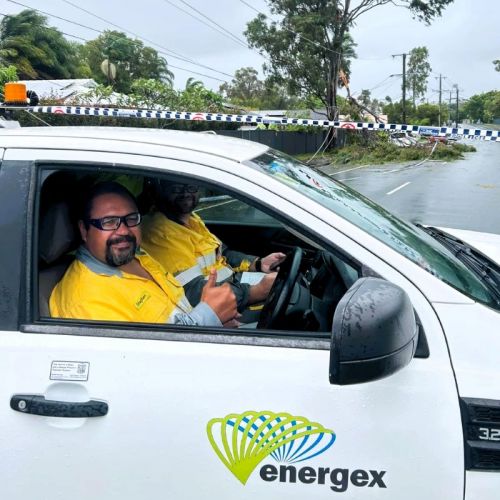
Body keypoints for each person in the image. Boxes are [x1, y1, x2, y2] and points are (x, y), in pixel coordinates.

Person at [49, 182, 237, 326]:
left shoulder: (139, 257)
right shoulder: (86, 299)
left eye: (131, 219)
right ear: (84, 230)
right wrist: (207, 317)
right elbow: (140, 367)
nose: (123, 231)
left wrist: (216, 321)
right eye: (109, 222)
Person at [141, 181, 287, 313]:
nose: (185, 193)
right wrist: (254, 292)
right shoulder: (159, 233)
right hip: (215, 308)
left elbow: (221, 254)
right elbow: (193, 292)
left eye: (191, 186)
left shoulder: (191, 219)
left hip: (233, 287)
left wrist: (258, 264)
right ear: (159, 190)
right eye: (176, 188)